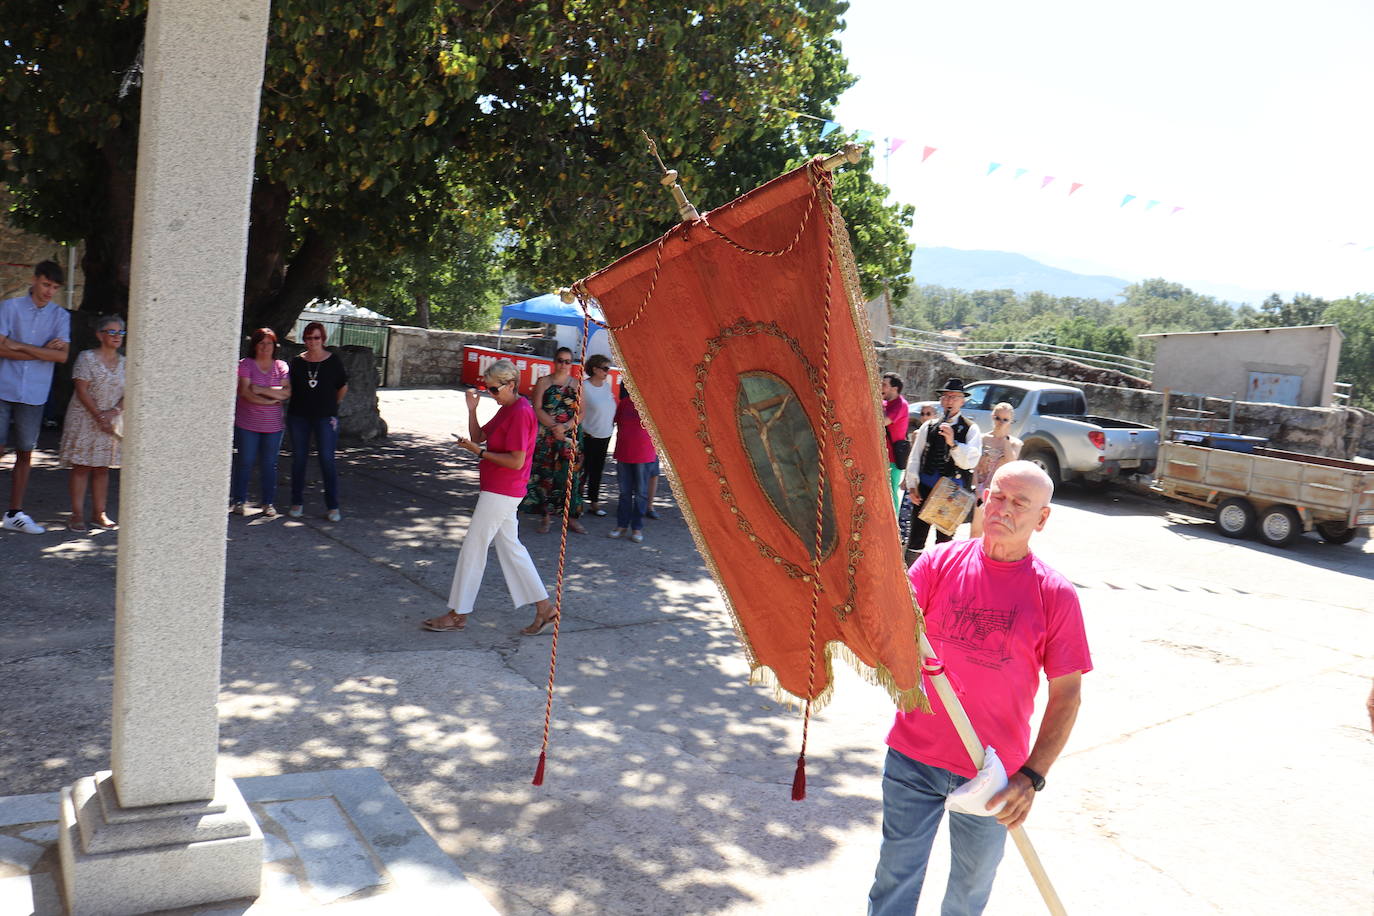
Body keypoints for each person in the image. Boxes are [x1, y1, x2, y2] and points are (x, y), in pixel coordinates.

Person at [869, 460, 1092, 916]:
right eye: (997, 496)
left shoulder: (1055, 595)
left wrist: (1032, 776)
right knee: (895, 879)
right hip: (914, 756)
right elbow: (892, 633)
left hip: (994, 773)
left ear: (1041, 518)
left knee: (969, 893)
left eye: (1019, 503)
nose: (1003, 508)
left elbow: (1067, 694)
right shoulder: (937, 563)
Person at [423, 359, 558, 635]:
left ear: (511, 385)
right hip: (500, 488)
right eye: (488, 389)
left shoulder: (521, 411)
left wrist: (479, 452)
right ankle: (545, 608)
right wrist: (472, 410)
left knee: (474, 545)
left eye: (494, 389)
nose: (491, 394)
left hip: (503, 488)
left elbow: (517, 461)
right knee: (511, 548)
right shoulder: (508, 407)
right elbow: (480, 436)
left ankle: (458, 614)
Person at [0, 260, 71, 534]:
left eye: (54, 287)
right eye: (45, 284)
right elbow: (1, 349)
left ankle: (15, 513)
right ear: (34, 279)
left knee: (25, 452)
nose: (49, 291)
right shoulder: (9, 308)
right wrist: (41, 350)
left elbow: (62, 356)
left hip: (35, 392)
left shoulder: (60, 316)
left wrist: (18, 344)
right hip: (3, 386)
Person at [903, 377, 982, 565]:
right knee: (916, 538)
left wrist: (953, 443)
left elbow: (970, 461)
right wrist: (912, 487)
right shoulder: (928, 426)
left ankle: (939, 578)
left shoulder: (971, 429)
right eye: (946, 397)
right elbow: (915, 457)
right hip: (924, 490)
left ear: (962, 401)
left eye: (954, 397)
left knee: (944, 541)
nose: (949, 401)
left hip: (952, 493)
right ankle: (910, 578)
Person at [59, 316, 126, 531]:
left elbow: (131, 392)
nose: (117, 337)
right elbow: (82, 390)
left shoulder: (126, 362)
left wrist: (113, 413)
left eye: (120, 333)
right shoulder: (86, 358)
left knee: (102, 468)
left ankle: (100, 513)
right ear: (100, 335)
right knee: (81, 466)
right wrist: (100, 416)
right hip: (85, 418)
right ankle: (77, 514)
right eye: (112, 332)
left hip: (111, 420)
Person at [287, 321, 349, 522]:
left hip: (325, 417)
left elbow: (342, 386)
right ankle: (297, 502)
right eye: (308, 338)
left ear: (323, 339)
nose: (312, 341)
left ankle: (333, 506)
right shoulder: (297, 362)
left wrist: (332, 407)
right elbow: (289, 388)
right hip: (299, 416)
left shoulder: (333, 361)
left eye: (316, 337)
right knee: (299, 460)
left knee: (326, 459)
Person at [522, 346, 586, 534]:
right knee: (545, 476)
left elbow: (582, 412)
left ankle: (571, 518)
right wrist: (554, 427)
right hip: (547, 437)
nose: (563, 365)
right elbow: (537, 408)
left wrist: (565, 427)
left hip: (570, 436)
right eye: (560, 360)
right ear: (554, 361)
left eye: (567, 361)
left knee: (571, 478)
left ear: (571, 364)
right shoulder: (543, 382)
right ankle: (546, 517)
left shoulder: (577, 384)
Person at [231, 327, 290, 517]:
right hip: (247, 423)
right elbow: (245, 392)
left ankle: (268, 503)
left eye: (269, 343)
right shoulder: (246, 364)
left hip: (273, 426)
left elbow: (287, 392)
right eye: (261, 343)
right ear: (255, 345)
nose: (265, 347)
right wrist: (272, 397)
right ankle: (239, 501)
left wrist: (260, 389)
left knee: (269, 464)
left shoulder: (281, 366)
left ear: (275, 346)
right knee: (245, 461)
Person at [608, 381, 656, 543]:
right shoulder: (625, 403)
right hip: (623, 453)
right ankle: (621, 525)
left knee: (641, 493)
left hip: (644, 455)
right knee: (624, 493)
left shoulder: (652, 405)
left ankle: (637, 528)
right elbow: (615, 422)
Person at [969, 401, 1024, 538]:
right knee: (976, 531)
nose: (1001, 422)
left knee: (992, 533)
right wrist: (976, 488)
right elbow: (974, 466)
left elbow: (1012, 463)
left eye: (1005, 419)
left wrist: (1004, 438)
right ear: (992, 417)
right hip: (981, 490)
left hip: (1000, 492)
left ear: (1011, 421)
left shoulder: (1014, 443)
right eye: (998, 418)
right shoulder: (982, 439)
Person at [579, 353, 615, 517]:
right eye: (605, 368)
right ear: (595, 369)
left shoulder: (606, 386)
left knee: (597, 470)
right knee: (582, 471)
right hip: (589, 435)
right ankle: (576, 502)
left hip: (605, 434)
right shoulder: (584, 387)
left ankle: (594, 502)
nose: (608, 371)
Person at [880, 372, 910, 513]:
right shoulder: (885, 403)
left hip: (892, 458)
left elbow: (883, 422)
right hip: (882, 455)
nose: (881, 387)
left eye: (884, 385)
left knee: (891, 493)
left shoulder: (900, 405)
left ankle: (893, 528)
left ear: (895, 388)